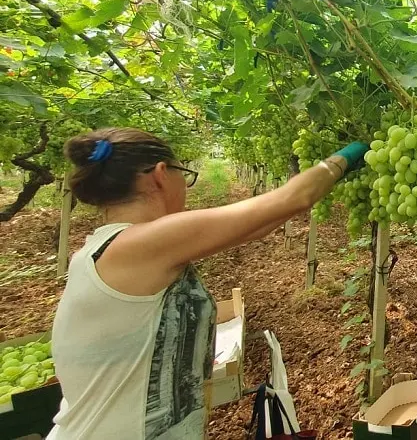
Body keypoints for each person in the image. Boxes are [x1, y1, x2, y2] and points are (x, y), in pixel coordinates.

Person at [47, 128, 367, 439]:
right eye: (184, 174)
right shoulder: (138, 245)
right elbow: (296, 197)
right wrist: (349, 153)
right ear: (160, 174)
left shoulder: (111, 248)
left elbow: (255, 227)